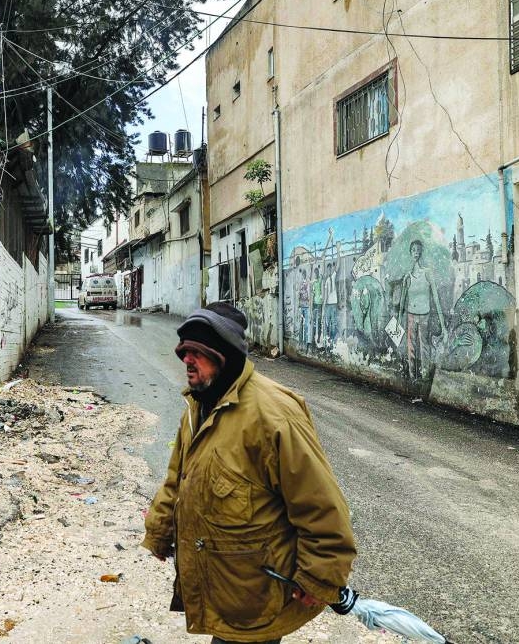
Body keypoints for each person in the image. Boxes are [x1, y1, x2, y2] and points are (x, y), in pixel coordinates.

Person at [142, 302, 357, 644]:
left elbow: (322, 505)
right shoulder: (198, 404)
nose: (186, 360)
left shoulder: (274, 415)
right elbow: (178, 476)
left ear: (223, 356)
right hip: (224, 583)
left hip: (256, 590)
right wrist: (159, 530)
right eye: (184, 351)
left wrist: (319, 577)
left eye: (197, 352)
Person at [397, 240, 447, 380]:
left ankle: (425, 374)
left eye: (418, 249)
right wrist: (398, 321)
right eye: (413, 250)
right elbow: (402, 300)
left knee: (424, 346)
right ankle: (413, 375)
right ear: (410, 252)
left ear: (421, 252)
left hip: (424, 315)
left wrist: (443, 326)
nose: (416, 252)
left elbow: (436, 298)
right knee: (411, 347)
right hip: (411, 315)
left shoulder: (427, 273)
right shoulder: (408, 276)